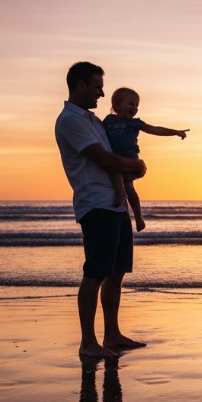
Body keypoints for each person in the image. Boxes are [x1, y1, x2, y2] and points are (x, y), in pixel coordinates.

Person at [55, 61, 148, 358]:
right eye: (96, 86)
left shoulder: (95, 121)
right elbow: (103, 159)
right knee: (95, 273)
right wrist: (136, 166)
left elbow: (117, 151)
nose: (101, 92)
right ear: (80, 85)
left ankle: (112, 334)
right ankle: (88, 342)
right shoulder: (72, 121)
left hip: (115, 204)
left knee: (116, 272)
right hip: (96, 205)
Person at [102, 87, 189, 233]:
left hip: (130, 159)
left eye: (136, 105)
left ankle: (139, 217)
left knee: (130, 188)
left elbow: (155, 129)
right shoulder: (108, 120)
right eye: (130, 104)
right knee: (116, 173)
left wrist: (175, 132)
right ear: (116, 106)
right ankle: (120, 195)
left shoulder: (135, 123)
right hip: (114, 159)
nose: (134, 108)